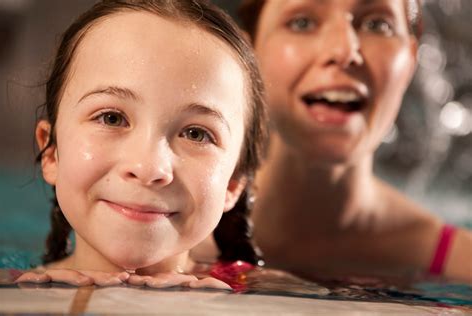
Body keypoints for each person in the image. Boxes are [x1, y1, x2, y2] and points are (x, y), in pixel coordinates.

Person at [199, 0, 472, 282]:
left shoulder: (464, 263)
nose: (343, 51)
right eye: (302, 22)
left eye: (377, 24)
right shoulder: (172, 239)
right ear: (248, 56)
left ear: (411, 60)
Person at [15, 0, 268, 289]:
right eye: (111, 118)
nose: (148, 167)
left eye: (196, 134)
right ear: (51, 153)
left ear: (233, 183)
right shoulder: (11, 289)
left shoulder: (269, 294)